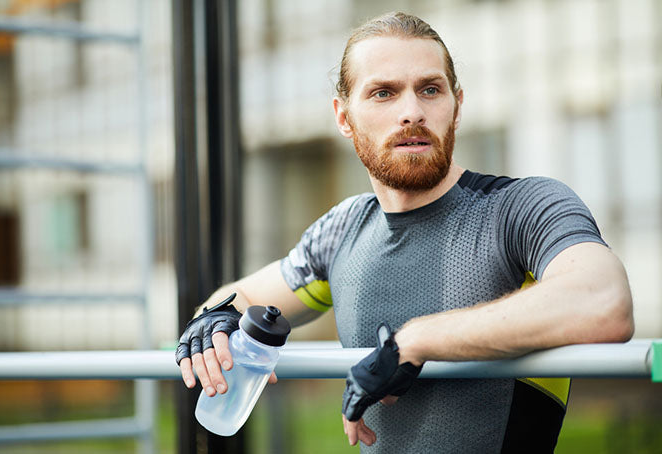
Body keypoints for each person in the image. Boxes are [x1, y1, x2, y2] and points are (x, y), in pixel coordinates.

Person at [176, 11, 634, 453]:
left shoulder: (522, 208)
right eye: (383, 93)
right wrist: (215, 318)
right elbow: (242, 300)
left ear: (457, 105)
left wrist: (416, 342)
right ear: (343, 116)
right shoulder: (342, 230)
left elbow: (604, 302)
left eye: (430, 89)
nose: (412, 111)